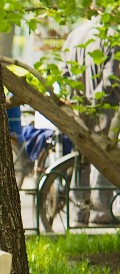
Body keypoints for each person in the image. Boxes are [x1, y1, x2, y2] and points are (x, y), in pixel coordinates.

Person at [61, 2, 120, 225]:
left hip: (78, 109)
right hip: (106, 110)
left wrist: (79, 100)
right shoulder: (112, 36)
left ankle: (78, 213)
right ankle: (99, 211)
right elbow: (110, 79)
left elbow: (65, 72)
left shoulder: (75, 34)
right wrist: (94, 102)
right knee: (103, 156)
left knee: (81, 158)